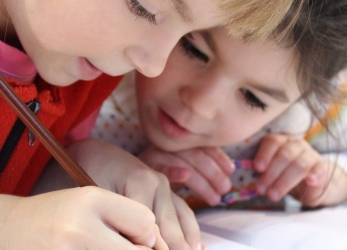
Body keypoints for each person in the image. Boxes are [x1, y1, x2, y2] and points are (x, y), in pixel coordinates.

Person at [0, 0, 305, 249]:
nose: (153, 65)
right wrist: (13, 225)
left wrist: (71, 172)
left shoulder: (87, 73)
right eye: (144, 8)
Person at [89, 0, 347, 210]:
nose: (200, 106)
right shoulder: (94, 81)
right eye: (194, 51)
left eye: (252, 98)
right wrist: (115, 175)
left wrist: (331, 178)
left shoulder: (309, 116)